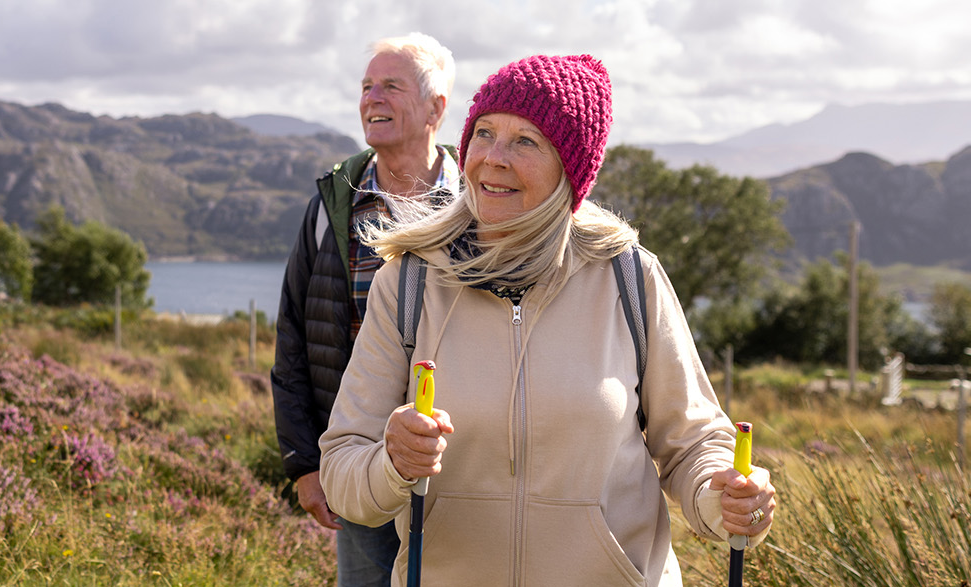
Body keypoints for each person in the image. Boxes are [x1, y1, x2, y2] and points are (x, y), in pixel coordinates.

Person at [318, 54, 776, 586]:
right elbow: (343, 468)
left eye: (526, 142)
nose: (493, 158)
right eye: (484, 133)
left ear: (571, 168)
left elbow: (693, 442)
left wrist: (725, 496)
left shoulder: (630, 277)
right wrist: (392, 463)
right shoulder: (409, 282)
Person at [272, 33, 457, 586]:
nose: (372, 98)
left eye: (391, 86)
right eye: (366, 86)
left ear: (435, 109)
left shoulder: (478, 203)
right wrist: (306, 463)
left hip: (457, 466)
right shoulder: (332, 205)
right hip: (356, 461)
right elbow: (293, 340)